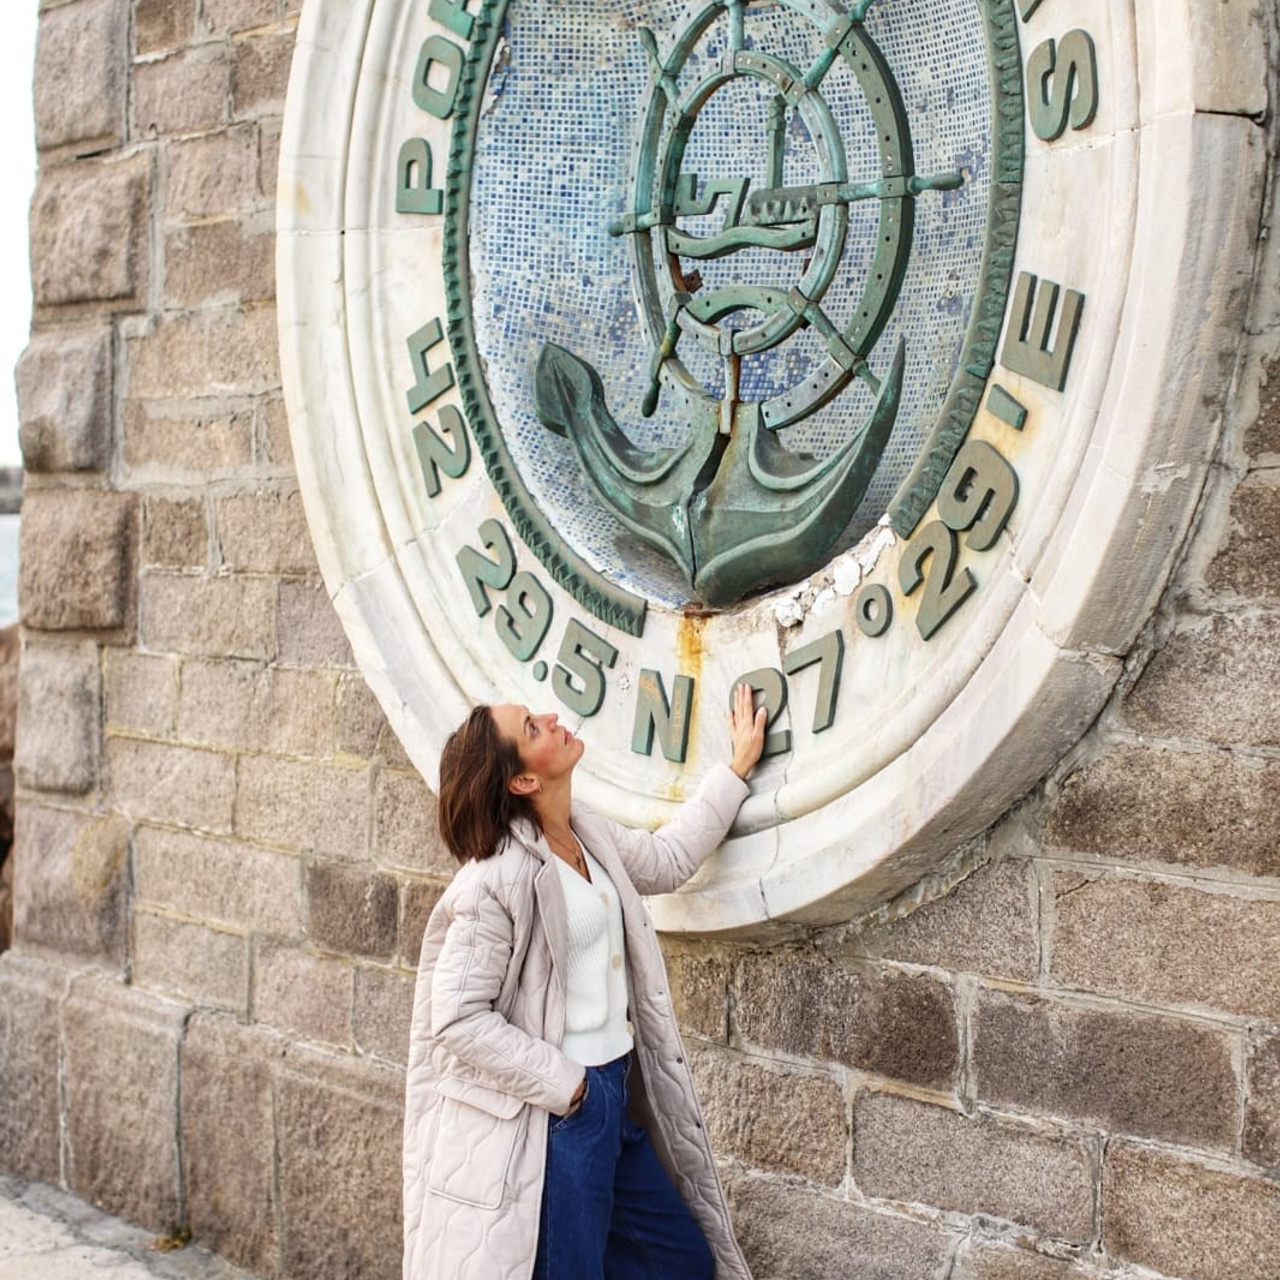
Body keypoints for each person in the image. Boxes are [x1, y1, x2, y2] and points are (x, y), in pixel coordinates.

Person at [403, 686, 766, 1280]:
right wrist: (571, 1088)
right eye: (532, 729)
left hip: (615, 1096)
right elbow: (458, 1018)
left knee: (681, 1262)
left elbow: (669, 858)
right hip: (563, 1115)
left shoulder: (586, 835)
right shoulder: (494, 881)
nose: (550, 719)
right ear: (521, 781)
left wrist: (736, 769)